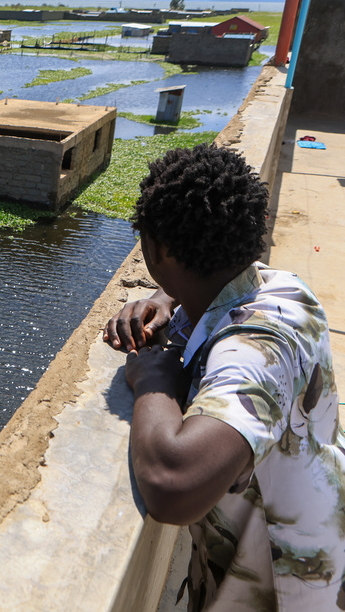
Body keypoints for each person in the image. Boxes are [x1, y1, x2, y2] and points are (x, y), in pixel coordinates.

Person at [103, 143, 345, 611]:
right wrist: (168, 298)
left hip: (286, 589)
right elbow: (211, 283)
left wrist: (153, 378)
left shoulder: (252, 351)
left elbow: (174, 486)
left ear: (159, 248)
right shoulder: (284, 287)